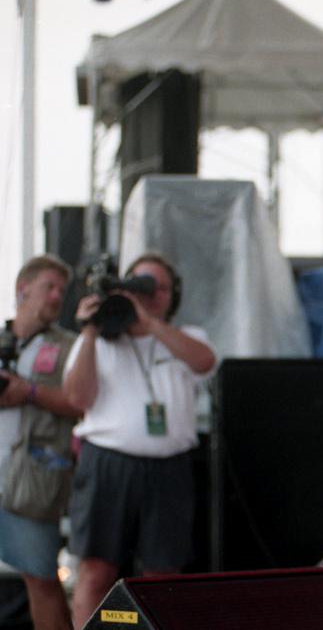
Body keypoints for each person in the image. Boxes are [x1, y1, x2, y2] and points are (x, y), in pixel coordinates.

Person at [63, 253, 216, 628]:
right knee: (95, 572)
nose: (149, 294)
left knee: (164, 576)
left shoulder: (187, 336)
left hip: (169, 468)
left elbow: (205, 362)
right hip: (107, 465)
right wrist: (90, 329)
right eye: (141, 285)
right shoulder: (98, 340)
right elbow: (77, 399)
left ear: (172, 295)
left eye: (158, 288)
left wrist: (148, 322)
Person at [0, 255, 82, 630]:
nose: (56, 297)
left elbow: (80, 402)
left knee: (41, 578)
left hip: (33, 478)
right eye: (49, 287)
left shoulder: (70, 347)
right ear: (23, 289)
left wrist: (28, 392)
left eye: (61, 291)